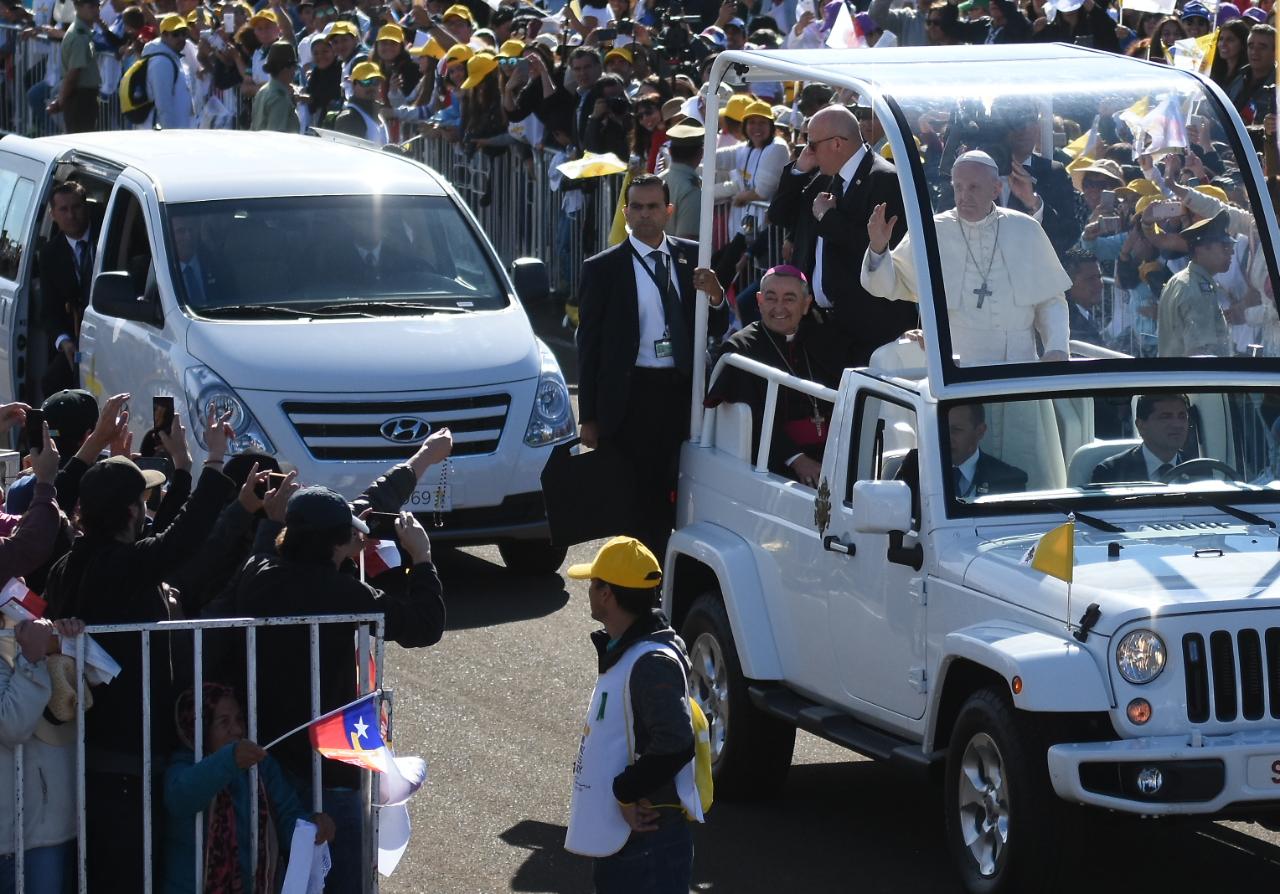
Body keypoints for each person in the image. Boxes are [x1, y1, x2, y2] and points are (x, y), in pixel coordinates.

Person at [230, 430, 451, 893]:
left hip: (267, 760)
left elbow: (369, 501)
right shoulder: (341, 594)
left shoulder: (259, 574)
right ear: (337, 545)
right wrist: (423, 558)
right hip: (328, 768)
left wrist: (422, 459)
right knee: (346, 878)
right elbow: (423, 624)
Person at [42, 410, 239, 891]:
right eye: (143, 501)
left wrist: (184, 470)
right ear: (132, 512)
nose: (147, 509)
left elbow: (156, 547)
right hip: (124, 763)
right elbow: (175, 545)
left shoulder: (71, 563)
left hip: (91, 759)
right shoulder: (118, 567)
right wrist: (212, 462)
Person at [575, 174, 728, 557]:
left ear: (668, 211)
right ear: (626, 212)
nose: (645, 215)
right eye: (637, 208)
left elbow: (719, 324)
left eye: (653, 207)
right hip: (630, 396)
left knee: (678, 488)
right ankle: (636, 580)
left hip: (681, 392)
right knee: (632, 498)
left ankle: (669, 573)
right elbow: (588, 345)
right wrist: (589, 415)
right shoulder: (603, 268)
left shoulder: (693, 257)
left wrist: (715, 294)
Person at [563, 536, 702, 894]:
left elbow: (675, 741)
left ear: (607, 594)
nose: (589, 591)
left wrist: (626, 792)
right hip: (634, 841)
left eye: (593, 584)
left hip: (647, 842)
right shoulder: (630, 651)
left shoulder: (651, 662)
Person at [861, 149, 1071, 366]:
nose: (964, 196)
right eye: (958, 187)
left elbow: (1050, 300)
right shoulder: (932, 230)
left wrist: (1057, 348)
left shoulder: (1025, 228)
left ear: (996, 189)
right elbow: (888, 284)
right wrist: (878, 248)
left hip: (1018, 368)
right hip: (957, 372)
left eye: (973, 187)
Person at [767, 104, 916, 363]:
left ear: (836, 144)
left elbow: (876, 253)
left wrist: (829, 218)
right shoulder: (824, 177)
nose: (807, 150)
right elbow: (779, 215)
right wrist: (799, 170)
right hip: (821, 324)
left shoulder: (885, 180)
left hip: (866, 329)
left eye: (811, 144)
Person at [161, 684, 335, 894]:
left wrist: (313, 828)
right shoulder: (183, 767)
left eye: (239, 719)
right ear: (201, 729)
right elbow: (181, 798)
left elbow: (288, 818)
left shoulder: (260, 766)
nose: (237, 729)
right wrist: (229, 760)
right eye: (224, 722)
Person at [706, 265, 849, 485]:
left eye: (789, 299)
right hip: (774, 465)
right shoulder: (740, 348)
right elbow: (752, 417)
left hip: (834, 455)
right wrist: (796, 458)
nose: (779, 308)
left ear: (806, 304)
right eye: (771, 298)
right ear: (759, 301)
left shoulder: (824, 340)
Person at [0, 616, 86, 894]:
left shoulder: (31, 631)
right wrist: (31, 659)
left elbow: (97, 681)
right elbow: (11, 724)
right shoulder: (26, 645)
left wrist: (70, 640)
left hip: (45, 835)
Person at [37, 182, 94, 397]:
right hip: (75, 341)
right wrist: (64, 341)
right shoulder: (50, 254)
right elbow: (48, 311)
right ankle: (53, 433)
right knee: (53, 384)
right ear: (53, 215)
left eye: (76, 207)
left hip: (107, 335)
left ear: (86, 208)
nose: (71, 215)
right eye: (63, 209)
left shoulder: (106, 239)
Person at [1156, 210, 1234, 358]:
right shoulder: (1197, 290)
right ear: (1200, 249)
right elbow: (1200, 356)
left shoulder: (1180, 280)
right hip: (1194, 379)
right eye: (1224, 246)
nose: (1231, 253)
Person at [1091, 393, 1192, 483]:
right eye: (1165, 417)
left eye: (1182, 416)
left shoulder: (1199, 468)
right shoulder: (1111, 473)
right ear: (1141, 426)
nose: (1177, 425)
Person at [945, 403, 1027, 498]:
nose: (945, 437)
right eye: (941, 429)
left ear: (979, 432)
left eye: (956, 430)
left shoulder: (1009, 481)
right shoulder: (925, 476)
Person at [47, 0, 100, 133]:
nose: (96, 10)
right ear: (78, 6)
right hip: (80, 97)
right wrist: (61, 101)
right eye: (91, 5)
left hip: (83, 95)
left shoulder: (84, 31)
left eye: (97, 5)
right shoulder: (79, 35)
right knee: (80, 141)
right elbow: (73, 74)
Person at [140, 13, 195, 129]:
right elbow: (163, 105)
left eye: (184, 33)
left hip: (178, 134)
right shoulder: (161, 62)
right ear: (164, 35)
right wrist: (169, 137)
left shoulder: (173, 58)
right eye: (175, 34)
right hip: (165, 137)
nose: (181, 38)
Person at [659, 123, 706, 241]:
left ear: (670, 151)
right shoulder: (691, 189)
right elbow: (687, 240)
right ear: (700, 153)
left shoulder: (657, 180)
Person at [332, 59, 388, 143]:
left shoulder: (378, 114)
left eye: (376, 81)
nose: (372, 87)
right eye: (366, 81)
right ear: (354, 85)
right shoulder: (349, 119)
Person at [250, 39, 300, 132]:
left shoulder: (263, 91)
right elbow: (276, 136)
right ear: (286, 68)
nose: (294, 72)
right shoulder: (279, 98)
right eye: (294, 67)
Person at [1063, 248, 1106, 346]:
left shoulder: (1082, 315)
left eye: (1099, 277)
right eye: (1090, 279)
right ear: (1069, 282)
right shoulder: (1070, 327)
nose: (1100, 284)